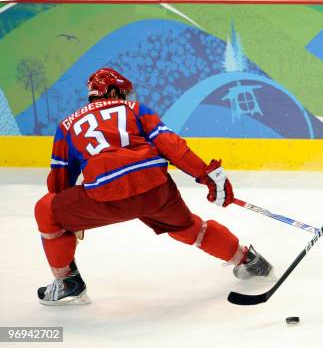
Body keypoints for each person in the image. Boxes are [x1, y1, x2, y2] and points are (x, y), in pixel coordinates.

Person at [34, 68, 273, 305]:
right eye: (124, 92)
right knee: (190, 227)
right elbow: (173, 147)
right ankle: (248, 260)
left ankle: (67, 283)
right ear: (114, 90)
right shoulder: (136, 110)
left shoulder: (67, 125)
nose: (128, 98)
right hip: (156, 189)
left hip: (108, 196)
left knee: (45, 210)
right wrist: (206, 176)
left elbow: (59, 184)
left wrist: (68, 222)